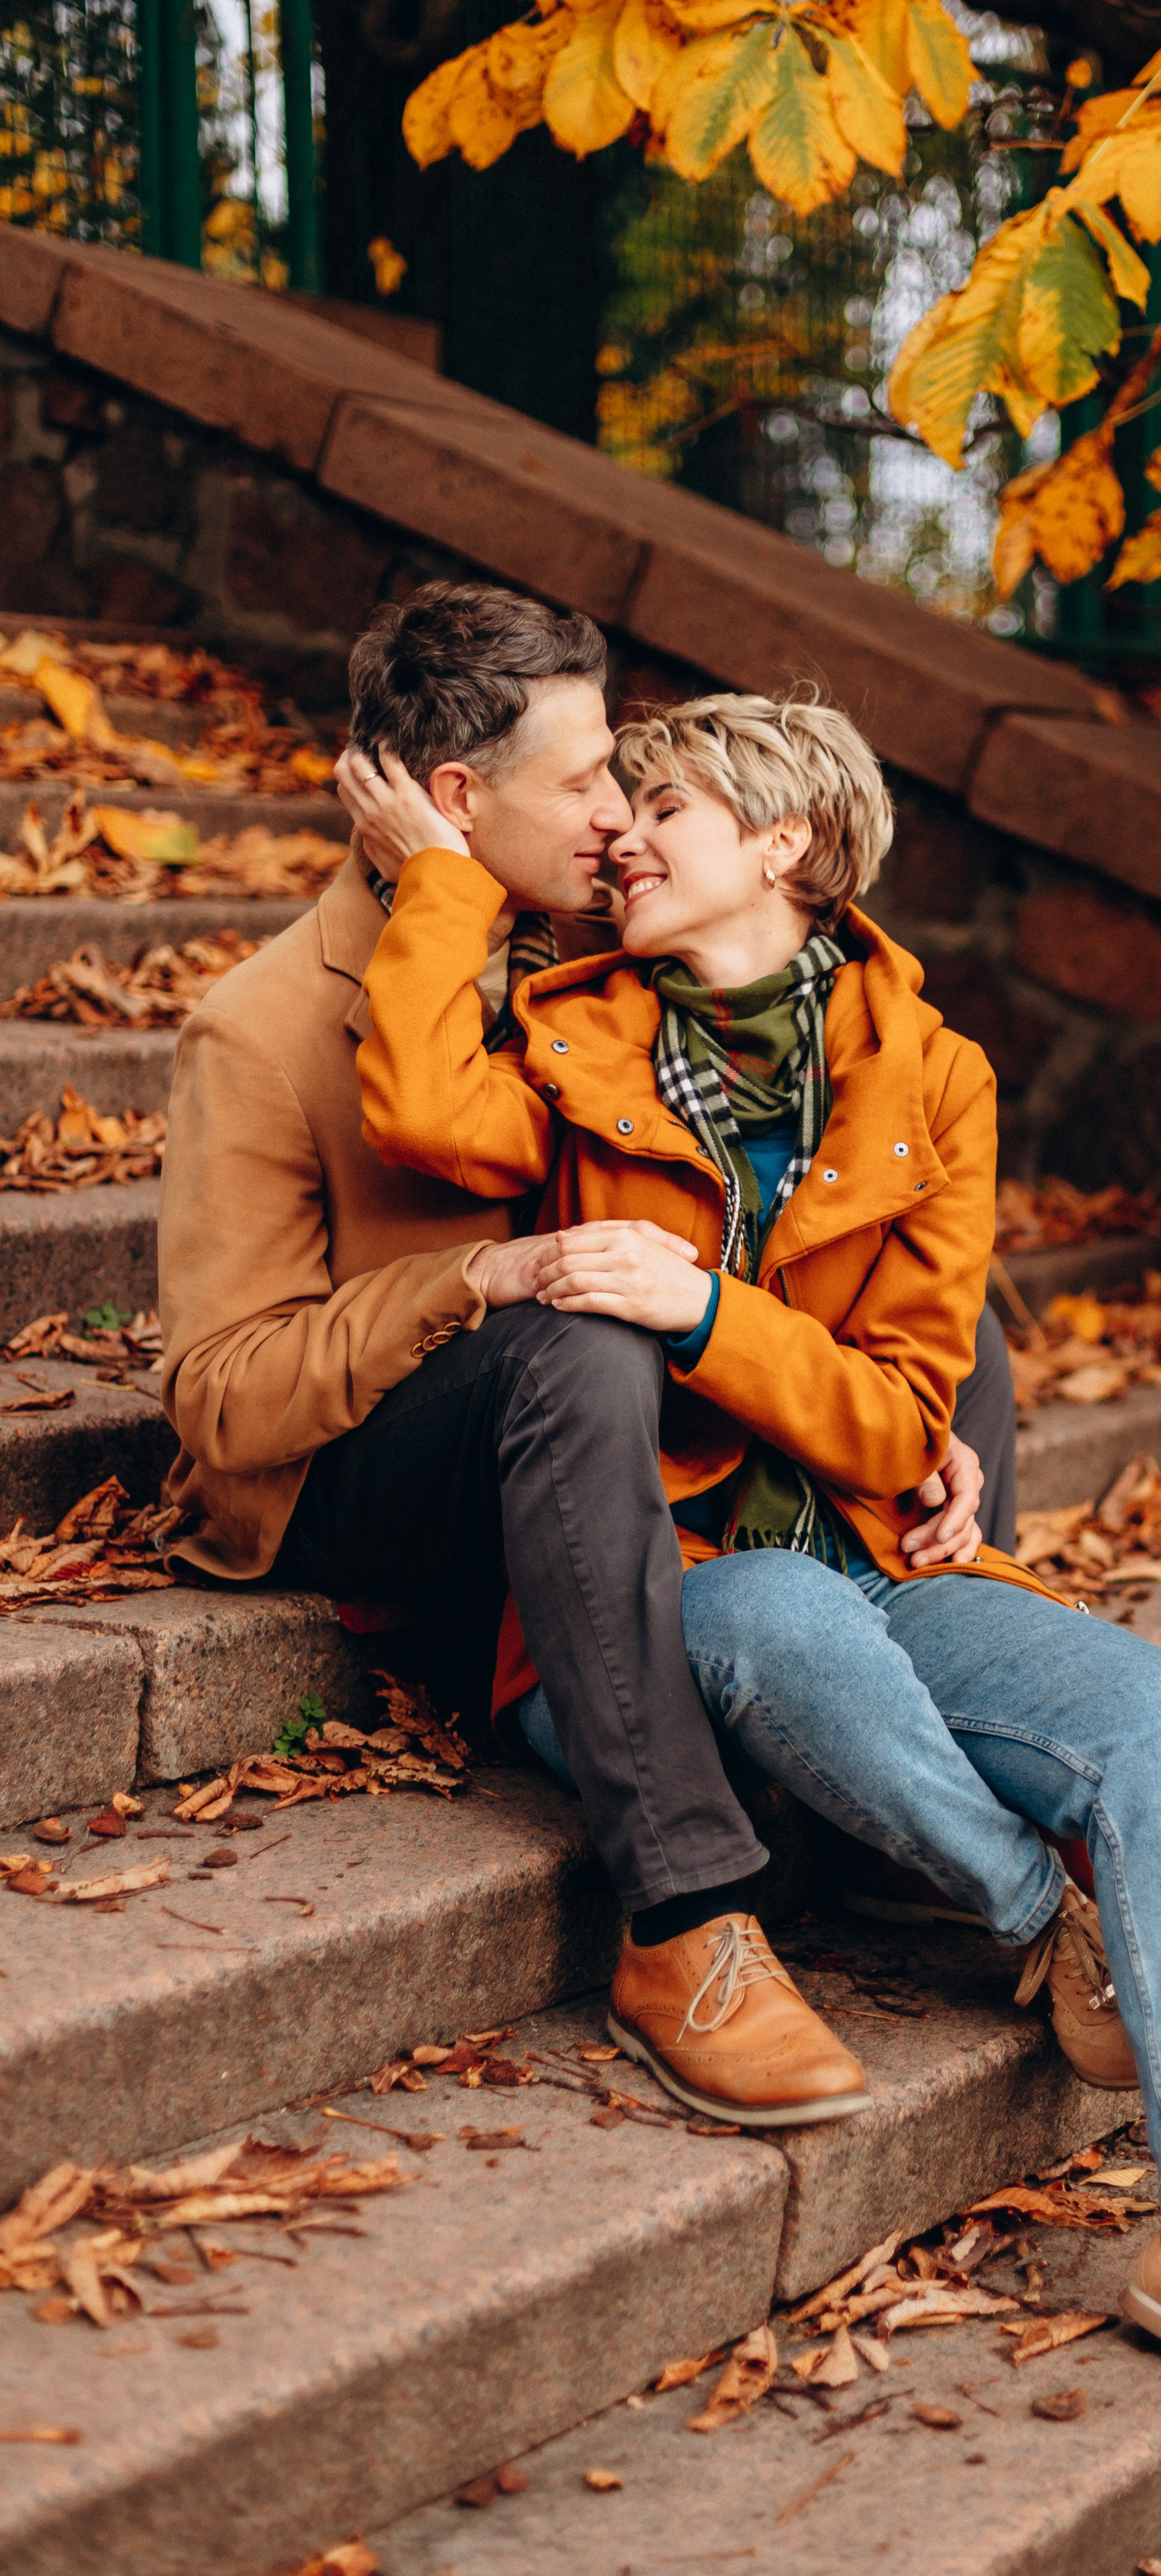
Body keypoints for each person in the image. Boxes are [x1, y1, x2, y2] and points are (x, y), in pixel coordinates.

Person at [343, 687, 1161, 2447]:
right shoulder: (570, 1026)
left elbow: (906, 1420)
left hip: (885, 1557)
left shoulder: (934, 1075)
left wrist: (705, 1308)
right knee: (786, 1625)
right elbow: (426, 1117)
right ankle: (1036, 1912)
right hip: (667, 1591)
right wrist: (442, 876)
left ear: (787, 847)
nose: (623, 834)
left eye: (665, 804)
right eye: (625, 800)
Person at [158, 582, 1006, 2134]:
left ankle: (902, 1714)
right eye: (587, 781)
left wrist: (912, 1418)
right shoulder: (264, 1028)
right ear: (458, 806)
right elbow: (220, 1404)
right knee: (576, 1342)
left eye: (632, 777)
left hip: (604, 1465)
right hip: (384, 1474)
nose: (620, 811)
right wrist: (473, 1278)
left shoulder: (603, 961)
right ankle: (681, 1920)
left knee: (939, 1297)